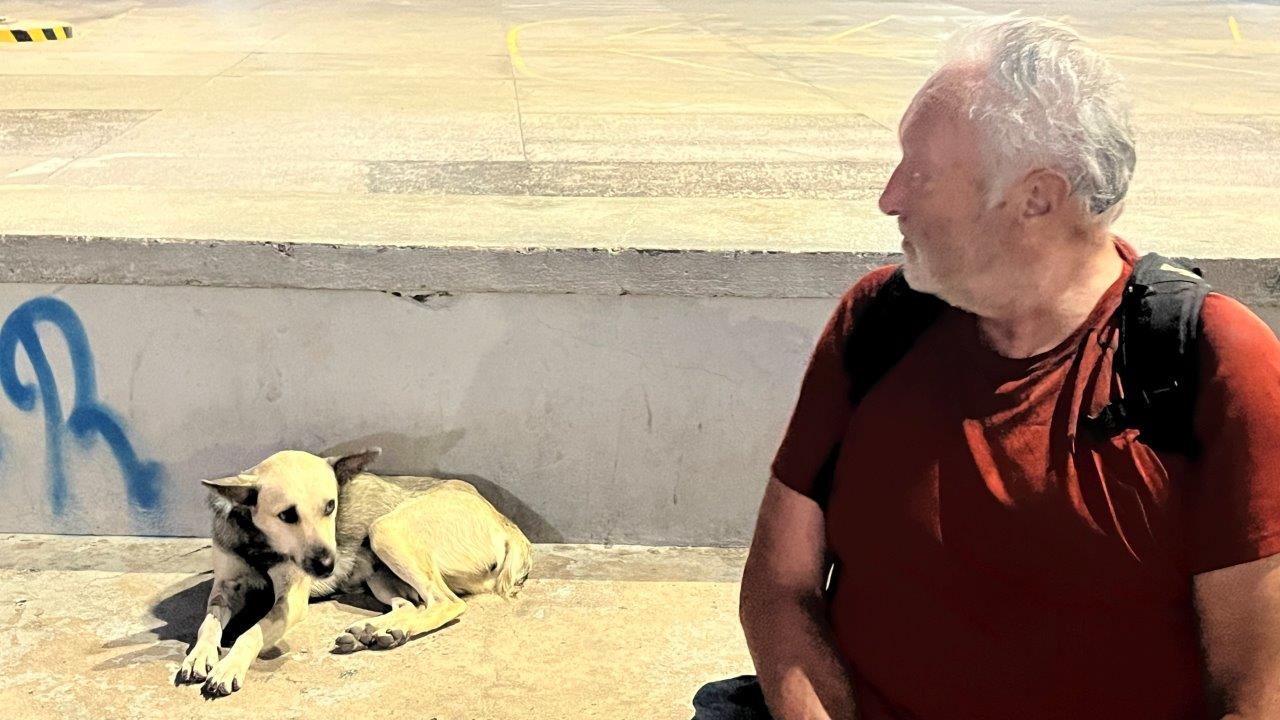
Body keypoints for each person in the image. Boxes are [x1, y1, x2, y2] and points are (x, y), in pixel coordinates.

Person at [693, 16, 1280, 720]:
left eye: (920, 172)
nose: (889, 197)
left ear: (1037, 197)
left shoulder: (1210, 360)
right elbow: (779, 588)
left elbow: (1256, 692)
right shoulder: (878, 322)